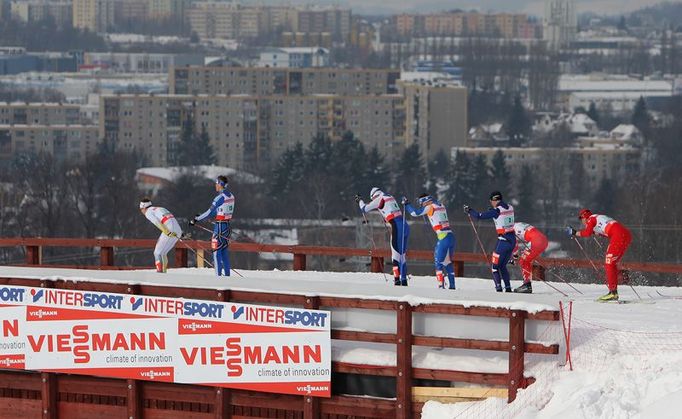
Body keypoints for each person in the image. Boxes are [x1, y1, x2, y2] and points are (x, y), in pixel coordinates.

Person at [567, 209, 632, 301]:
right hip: (626, 235)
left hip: (618, 235)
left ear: (585, 217)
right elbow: (606, 231)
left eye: (581, 218)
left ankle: (613, 293)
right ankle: (617, 285)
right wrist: (596, 232)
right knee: (612, 263)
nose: (581, 221)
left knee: (609, 263)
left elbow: (587, 233)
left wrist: (575, 232)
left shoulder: (591, 219)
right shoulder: (598, 218)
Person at [357, 187, 410, 286]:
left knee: (395, 255)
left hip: (396, 226)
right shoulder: (390, 196)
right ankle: (404, 280)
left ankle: (397, 280)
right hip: (405, 225)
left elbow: (364, 208)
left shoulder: (378, 199)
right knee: (402, 256)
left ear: (373, 196)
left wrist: (359, 200)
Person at [464, 191, 516, 292]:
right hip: (512, 240)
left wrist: (470, 210)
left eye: (491, 201)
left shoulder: (496, 211)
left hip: (503, 242)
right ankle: (508, 288)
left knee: (495, 267)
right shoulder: (510, 207)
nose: (491, 203)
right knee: (502, 266)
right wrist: (492, 210)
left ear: (494, 200)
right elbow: (501, 214)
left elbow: (479, 216)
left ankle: (498, 288)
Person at [403, 194, 456, 289]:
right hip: (450, 236)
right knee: (447, 262)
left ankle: (441, 286)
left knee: (438, 263)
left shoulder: (430, 207)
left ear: (426, 201)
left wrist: (407, 205)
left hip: (443, 237)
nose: (422, 205)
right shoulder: (441, 205)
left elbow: (414, 213)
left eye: (421, 203)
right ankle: (452, 286)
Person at [190, 176, 234, 276]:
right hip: (227, 227)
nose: (215, 185)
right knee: (224, 252)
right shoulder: (231, 196)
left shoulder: (219, 197)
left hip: (219, 227)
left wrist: (196, 219)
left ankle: (217, 278)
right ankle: (227, 277)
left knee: (216, 253)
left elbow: (209, 212)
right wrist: (204, 217)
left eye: (217, 183)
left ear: (221, 185)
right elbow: (219, 211)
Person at [139, 198, 182, 273]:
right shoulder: (160, 208)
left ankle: (160, 272)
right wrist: (180, 233)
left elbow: (157, 222)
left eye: (141, 209)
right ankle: (163, 272)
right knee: (163, 253)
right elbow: (172, 219)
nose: (141, 211)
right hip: (178, 229)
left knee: (157, 253)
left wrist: (166, 231)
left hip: (169, 229)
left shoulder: (148, 212)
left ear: (144, 207)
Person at [510, 222, 548, 294]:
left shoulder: (509, 230)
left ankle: (527, 285)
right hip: (544, 240)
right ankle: (527, 284)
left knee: (523, 261)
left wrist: (514, 258)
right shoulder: (517, 224)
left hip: (536, 241)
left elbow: (514, 245)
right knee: (526, 260)